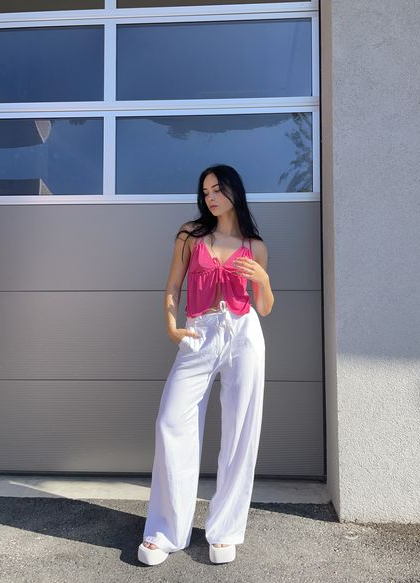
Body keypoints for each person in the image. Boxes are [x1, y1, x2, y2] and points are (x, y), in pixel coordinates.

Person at [137, 164, 275, 566]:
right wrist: (170, 324)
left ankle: (225, 530)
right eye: (205, 191)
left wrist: (263, 280)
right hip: (198, 333)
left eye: (217, 188)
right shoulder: (190, 235)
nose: (211, 196)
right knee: (171, 421)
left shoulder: (256, 245)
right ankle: (166, 531)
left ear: (234, 190)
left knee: (241, 429)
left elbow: (264, 307)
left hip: (244, 333)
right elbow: (173, 286)